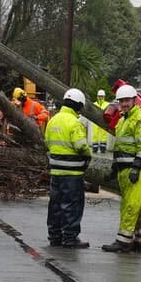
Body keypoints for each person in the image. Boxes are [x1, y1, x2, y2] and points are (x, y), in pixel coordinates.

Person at [102, 84, 141, 253]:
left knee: (130, 205)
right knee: (138, 205)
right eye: (121, 101)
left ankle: (123, 241)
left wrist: (137, 167)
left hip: (135, 169)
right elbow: (121, 146)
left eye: (127, 100)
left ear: (134, 100)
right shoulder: (124, 120)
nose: (124, 104)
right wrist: (115, 167)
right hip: (125, 169)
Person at [45, 88, 91, 248]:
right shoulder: (74, 123)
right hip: (72, 174)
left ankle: (54, 236)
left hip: (56, 172)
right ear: (78, 105)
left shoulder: (53, 120)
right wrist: (89, 154)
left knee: (55, 204)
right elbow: (81, 146)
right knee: (72, 205)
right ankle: (70, 238)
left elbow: (47, 142)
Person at [91, 89, 110, 154]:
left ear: (104, 97)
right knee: (95, 135)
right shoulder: (94, 104)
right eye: (99, 96)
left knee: (103, 135)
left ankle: (103, 148)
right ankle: (95, 148)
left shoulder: (107, 104)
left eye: (101, 96)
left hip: (104, 122)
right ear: (97, 96)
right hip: (96, 122)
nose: (100, 97)